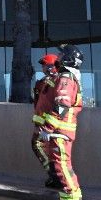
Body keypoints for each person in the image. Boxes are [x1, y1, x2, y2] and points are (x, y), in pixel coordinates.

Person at [35, 44, 85, 200]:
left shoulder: (65, 77)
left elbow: (62, 105)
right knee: (64, 167)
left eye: (62, 54)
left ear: (68, 58)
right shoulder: (70, 76)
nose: (59, 57)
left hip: (59, 131)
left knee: (61, 167)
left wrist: (48, 127)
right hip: (62, 130)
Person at [31, 53, 60, 189]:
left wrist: (44, 124)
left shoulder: (57, 81)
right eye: (43, 66)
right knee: (47, 148)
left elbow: (53, 105)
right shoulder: (42, 83)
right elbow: (39, 104)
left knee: (38, 144)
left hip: (53, 123)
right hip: (45, 122)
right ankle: (54, 175)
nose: (43, 68)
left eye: (47, 65)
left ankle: (54, 175)